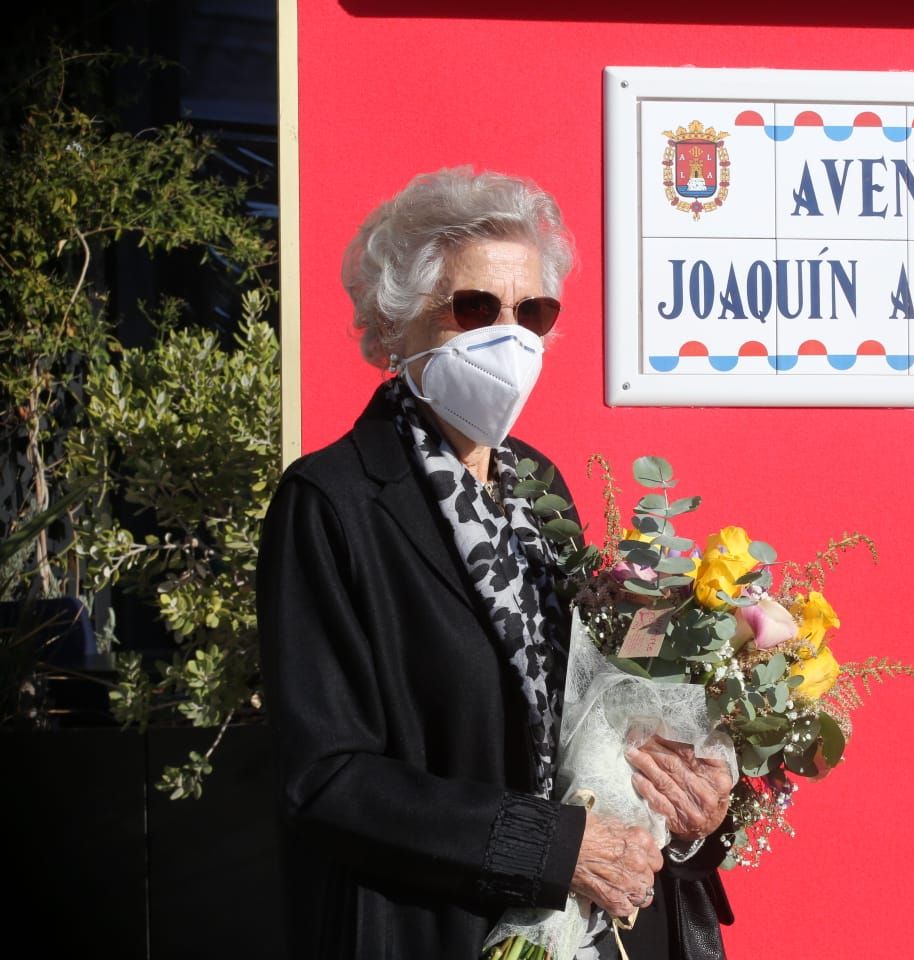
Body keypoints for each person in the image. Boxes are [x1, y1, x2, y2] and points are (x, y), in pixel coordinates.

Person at [257, 167, 735, 959]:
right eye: (474, 307)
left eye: (532, 311)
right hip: (432, 929)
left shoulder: (538, 488)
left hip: (585, 926)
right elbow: (327, 777)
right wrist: (551, 850)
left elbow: (588, 705)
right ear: (396, 319)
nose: (508, 335)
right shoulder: (333, 503)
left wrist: (683, 786)